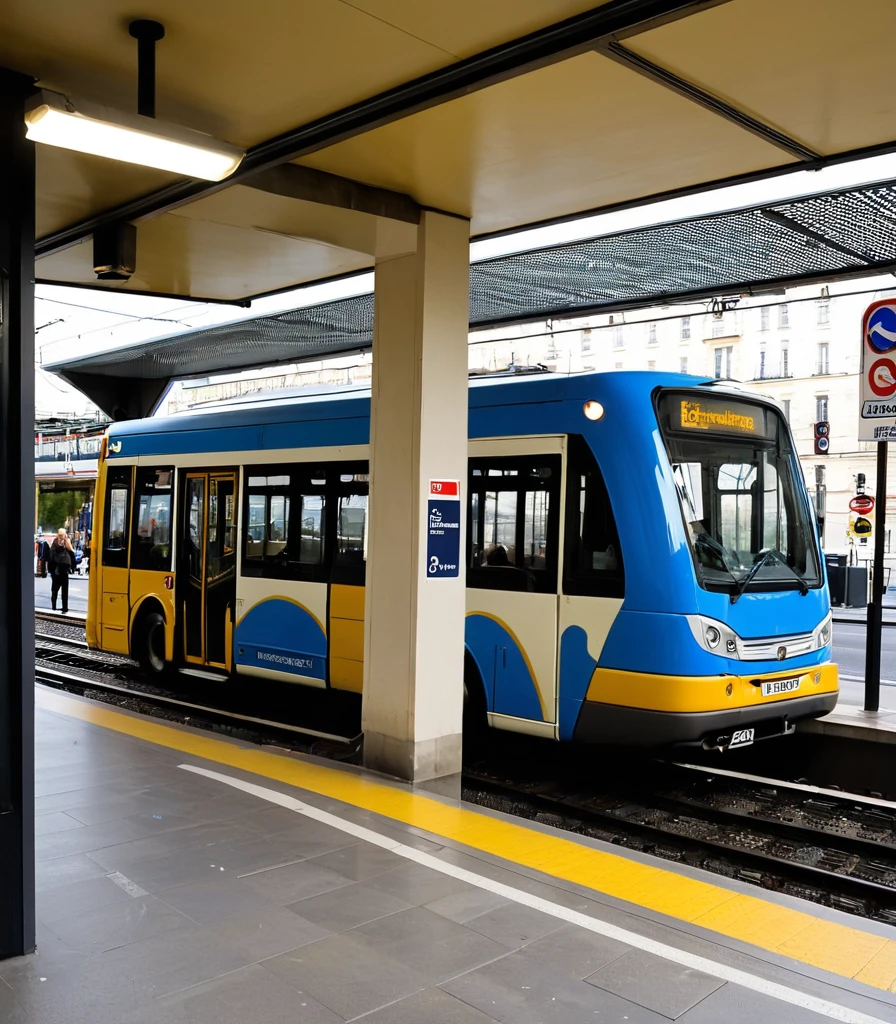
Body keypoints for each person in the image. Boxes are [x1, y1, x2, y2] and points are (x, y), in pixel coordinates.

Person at [47, 528, 74, 613]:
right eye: (61, 534)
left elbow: (71, 550)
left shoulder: (60, 541)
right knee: (60, 589)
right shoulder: (59, 541)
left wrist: (66, 540)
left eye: (62, 535)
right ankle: (60, 607)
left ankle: (59, 607)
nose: (61, 536)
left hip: (60, 568)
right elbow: (71, 549)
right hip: (60, 568)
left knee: (59, 588)